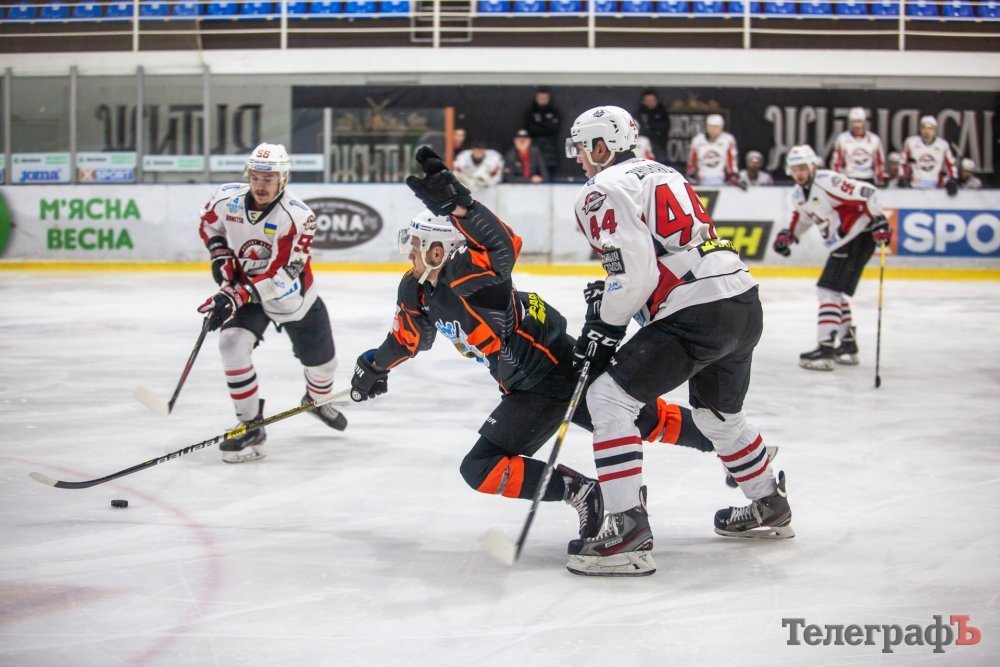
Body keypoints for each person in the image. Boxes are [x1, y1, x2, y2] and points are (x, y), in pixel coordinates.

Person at [349, 146, 716, 540]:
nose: (410, 253)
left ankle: (717, 455)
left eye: (416, 244)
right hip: (539, 376)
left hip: (549, 375)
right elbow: (408, 339)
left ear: (438, 250)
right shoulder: (417, 289)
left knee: (487, 464)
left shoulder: (471, 277)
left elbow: (505, 245)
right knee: (641, 418)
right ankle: (717, 450)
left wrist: (463, 208)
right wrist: (374, 366)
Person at [563, 106, 792, 578]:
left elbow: (636, 273)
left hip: (695, 309)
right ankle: (769, 503)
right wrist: (616, 302)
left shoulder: (601, 187)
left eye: (582, 148)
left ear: (602, 146)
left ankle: (627, 531)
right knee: (717, 416)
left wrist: (605, 326)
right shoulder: (662, 171)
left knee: (608, 398)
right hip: (741, 301)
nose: (579, 158)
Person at [196, 143, 347, 463]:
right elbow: (208, 223)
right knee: (231, 343)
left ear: (283, 179)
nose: (261, 184)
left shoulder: (298, 216)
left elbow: (284, 275)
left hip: (293, 298)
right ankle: (250, 425)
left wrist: (236, 295)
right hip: (245, 289)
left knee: (323, 366)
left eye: (269, 178)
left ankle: (317, 400)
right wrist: (220, 254)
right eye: (255, 176)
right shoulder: (226, 199)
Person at [771, 145, 892, 371]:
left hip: (857, 235)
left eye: (803, 168)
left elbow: (868, 193)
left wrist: (879, 220)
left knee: (827, 290)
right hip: (844, 241)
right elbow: (803, 219)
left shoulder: (827, 181)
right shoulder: (798, 194)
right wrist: (789, 236)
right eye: (795, 169)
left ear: (813, 166)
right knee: (833, 292)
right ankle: (847, 345)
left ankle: (825, 348)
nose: (799, 173)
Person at [831, 107, 887, 185]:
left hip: (868, 177)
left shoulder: (874, 139)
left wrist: (880, 177)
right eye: (854, 122)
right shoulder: (842, 138)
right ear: (850, 122)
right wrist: (837, 178)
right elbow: (836, 162)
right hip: (849, 177)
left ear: (864, 122)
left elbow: (879, 162)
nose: (857, 125)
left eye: (859, 121)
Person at [903, 116, 958, 193]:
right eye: (924, 128)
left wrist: (952, 179)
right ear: (920, 129)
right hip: (914, 185)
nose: (927, 132)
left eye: (930, 129)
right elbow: (903, 162)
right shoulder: (911, 143)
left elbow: (950, 164)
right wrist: (902, 177)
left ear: (935, 130)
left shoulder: (942, 145)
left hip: (936, 186)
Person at [686, 113, 740, 188]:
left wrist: (733, 175)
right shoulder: (698, 140)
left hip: (721, 179)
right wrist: (690, 174)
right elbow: (692, 161)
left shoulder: (728, 140)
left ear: (721, 127)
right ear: (707, 127)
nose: (713, 129)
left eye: (716, 127)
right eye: (711, 126)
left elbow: (732, 160)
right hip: (702, 178)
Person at [524, 89, 562, 177]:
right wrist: (546, 124)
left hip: (550, 148)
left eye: (545, 98)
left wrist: (539, 122)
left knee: (550, 172)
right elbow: (530, 129)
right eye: (540, 98)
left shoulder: (554, 112)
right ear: (536, 98)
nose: (543, 100)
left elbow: (554, 129)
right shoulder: (531, 113)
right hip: (535, 146)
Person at [633, 89, 670, 165]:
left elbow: (664, 127)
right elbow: (637, 127)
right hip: (642, 142)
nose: (650, 102)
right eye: (647, 100)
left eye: (652, 100)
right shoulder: (640, 112)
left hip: (658, 143)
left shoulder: (662, 111)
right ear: (643, 101)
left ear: (656, 100)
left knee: (662, 160)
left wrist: (650, 129)